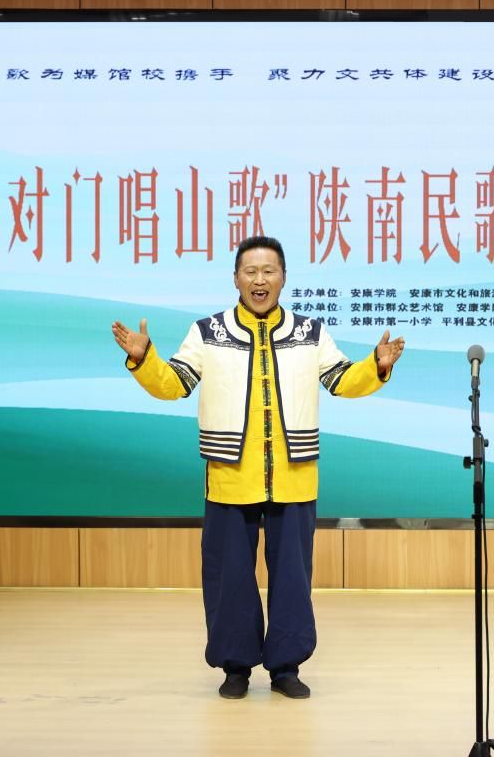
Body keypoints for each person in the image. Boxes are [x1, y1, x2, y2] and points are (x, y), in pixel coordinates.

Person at [111, 235, 404, 701]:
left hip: (294, 475)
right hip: (230, 476)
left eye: (269, 271)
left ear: (284, 278)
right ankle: (235, 667)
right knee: (229, 576)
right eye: (250, 271)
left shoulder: (310, 332)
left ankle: (286, 667)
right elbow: (175, 384)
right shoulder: (207, 332)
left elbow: (342, 380)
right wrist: (144, 359)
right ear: (235, 279)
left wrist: (376, 365)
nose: (259, 279)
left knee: (292, 577)